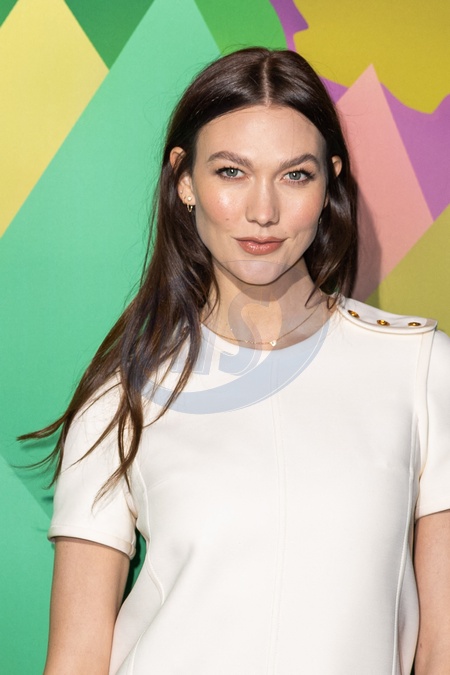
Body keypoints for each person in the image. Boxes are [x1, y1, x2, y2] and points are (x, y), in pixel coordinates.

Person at [29, 48, 450, 674]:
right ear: (184, 180)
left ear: (329, 182)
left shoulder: (419, 368)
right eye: (231, 171)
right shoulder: (123, 397)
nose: (263, 211)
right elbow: (76, 658)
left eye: (295, 175)